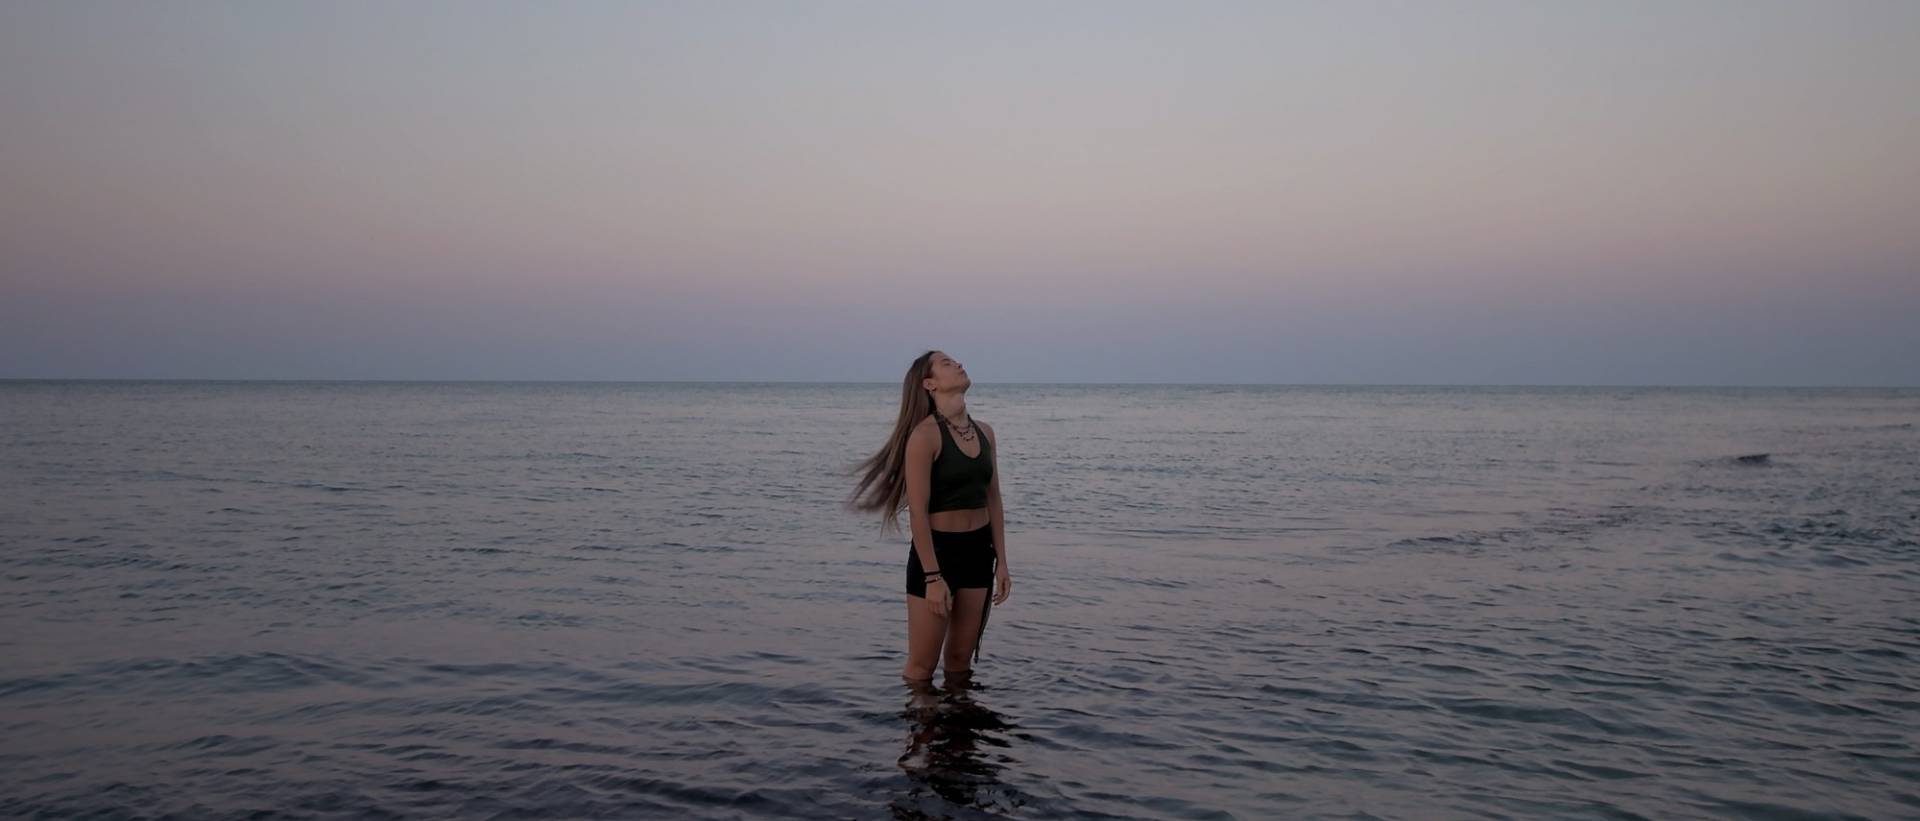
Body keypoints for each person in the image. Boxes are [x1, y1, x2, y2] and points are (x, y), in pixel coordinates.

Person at [847, 350, 1012, 682]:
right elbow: (918, 514)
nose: (959, 364)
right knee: (922, 666)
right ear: (929, 384)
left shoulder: (985, 432)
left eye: (956, 360)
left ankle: (960, 719)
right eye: (947, 363)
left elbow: (993, 499)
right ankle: (919, 719)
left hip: (979, 552)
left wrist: (1003, 562)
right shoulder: (924, 437)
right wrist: (933, 578)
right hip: (938, 555)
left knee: (960, 661)